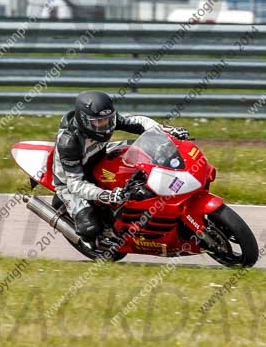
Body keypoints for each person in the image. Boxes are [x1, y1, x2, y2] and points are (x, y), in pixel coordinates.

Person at [52, 91, 188, 247]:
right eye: (99, 122)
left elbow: (139, 122)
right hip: (72, 181)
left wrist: (168, 131)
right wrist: (110, 196)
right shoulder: (69, 142)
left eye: (108, 120)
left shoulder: (106, 120)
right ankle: (92, 240)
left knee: (147, 154)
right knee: (90, 229)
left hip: (99, 157)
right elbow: (75, 184)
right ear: (84, 121)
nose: (106, 126)